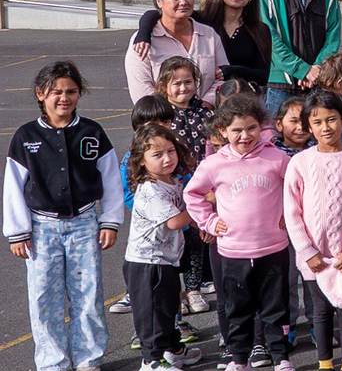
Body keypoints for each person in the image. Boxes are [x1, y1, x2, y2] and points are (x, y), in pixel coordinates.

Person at [10, 61, 121, 371]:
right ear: (40, 94)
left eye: (71, 91)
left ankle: (89, 358)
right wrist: (17, 232)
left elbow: (111, 178)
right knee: (44, 298)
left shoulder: (92, 132)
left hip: (84, 225)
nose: (64, 98)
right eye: (55, 91)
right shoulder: (26, 136)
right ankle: (52, 361)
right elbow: (13, 188)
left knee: (87, 295)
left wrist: (110, 220)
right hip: (41, 229)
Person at [184, 96, 295, 370]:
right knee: (238, 310)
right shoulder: (214, 164)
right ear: (222, 131)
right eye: (236, 130)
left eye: (252, 128)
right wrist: (209, 222)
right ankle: (239, 359)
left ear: (261, 127)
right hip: (233, 252)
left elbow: (296, 187)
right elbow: (193, 193)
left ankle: (280, 357)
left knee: (275, 308)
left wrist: (288, 213)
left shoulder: (276, 157)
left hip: (273, 248)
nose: (245, 136)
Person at [281, 92, 342, 371]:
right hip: (315, 258)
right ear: (309, 126)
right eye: (318, 122)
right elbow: (292, 211)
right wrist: (307, 252)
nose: (326, 127)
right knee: (320, 312)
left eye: (332, 119)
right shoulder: (300, 162)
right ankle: (324, 363)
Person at [122, 123, 205, 371]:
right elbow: (176, 221)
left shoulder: (173, 181)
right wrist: (200, 207)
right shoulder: (150, 189)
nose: (167, 159)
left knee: (168, 308)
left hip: (165, 260)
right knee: (151, 314)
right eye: (157, 155)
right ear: (142, 161)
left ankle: (174, 350)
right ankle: (151, 360)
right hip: (146, 263)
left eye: (170, 151)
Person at [259, 0, 342, 117]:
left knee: (319, 141)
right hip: (281, 84)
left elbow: (333, 34)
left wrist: (317, 69)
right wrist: (302, 69)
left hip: (318, 82)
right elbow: (268, 36)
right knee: (279, 142)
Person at [126, 0, 227, 104]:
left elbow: (223, 77)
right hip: (162, 120)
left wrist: (205, 105)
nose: (183, 2)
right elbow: (141, 89)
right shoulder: (143, 42)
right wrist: (171, 114)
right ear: (159, 1)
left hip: (207, 119)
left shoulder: (209, 35)